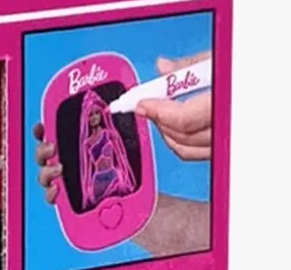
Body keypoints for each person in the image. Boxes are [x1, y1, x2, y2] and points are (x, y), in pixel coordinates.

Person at [34, 54, 211, 256]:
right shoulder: (87, 143)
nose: (95, 117)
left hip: (113, 174)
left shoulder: (110, 135)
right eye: (90, 114)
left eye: (97, 113)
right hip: (98, 181)